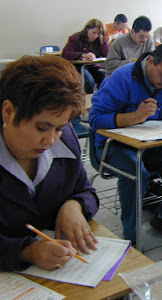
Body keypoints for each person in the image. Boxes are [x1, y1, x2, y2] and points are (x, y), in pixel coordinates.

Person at [0, 55, 99, 271]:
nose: (51, 140)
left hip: (59, 269)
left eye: (60, 128)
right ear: (8, 112)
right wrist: (25, 251)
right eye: (42, 128)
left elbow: (86, 190)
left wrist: (74, 205)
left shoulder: (65, 139)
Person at [90, 42, 162, 245]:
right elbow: (95, 120)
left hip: (151, 143)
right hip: (113, 145)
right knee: (135, 167)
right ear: (152, 61)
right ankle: (131, 234)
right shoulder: (122, 77)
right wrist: (134, 117)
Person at [62, 19, 109, 93]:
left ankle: (101, 99)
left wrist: (102, 42)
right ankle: (87, 101)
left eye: (98, 34)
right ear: (87, 29)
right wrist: (82, 55)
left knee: (104, 78)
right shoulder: (76, 38)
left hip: (93, 66)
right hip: (78, 66)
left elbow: (107, 55)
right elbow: (65, 53)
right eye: (93, 32)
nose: (95, 36)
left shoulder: (99, 40)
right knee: (89, 82)